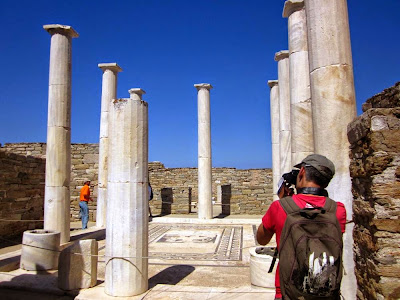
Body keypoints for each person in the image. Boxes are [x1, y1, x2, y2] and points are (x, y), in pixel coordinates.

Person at [257, 154, 347, 300]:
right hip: (326, 292)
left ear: (303, 172)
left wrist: (284, 201)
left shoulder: (279, 207)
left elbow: (261, 239)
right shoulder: (338, 210)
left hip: (288, 293)